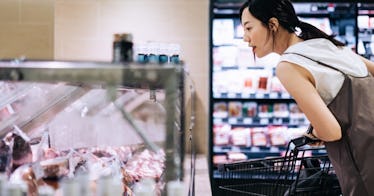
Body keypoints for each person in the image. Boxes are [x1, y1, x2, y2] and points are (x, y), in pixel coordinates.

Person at [239, 0, 374, 195]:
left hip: (364, 163)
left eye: (248, 28)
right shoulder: (325, 44)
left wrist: (316, 133)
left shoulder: (288, 65)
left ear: (273, 25)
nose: (245, 38)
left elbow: (332, 132)